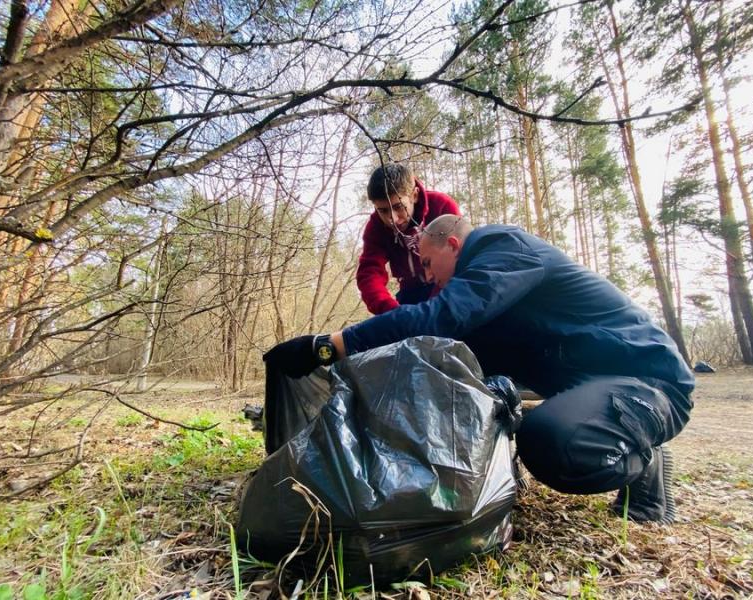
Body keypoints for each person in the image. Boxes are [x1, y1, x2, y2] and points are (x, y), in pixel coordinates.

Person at [264, 215, 695, 524]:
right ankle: (616, 433)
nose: (427, 278)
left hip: (648, 381)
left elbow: (441, 317)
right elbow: (433, 350)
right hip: (589, 386)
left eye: (428, 263)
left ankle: (644, 456)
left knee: (552, 444)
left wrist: (328, 346)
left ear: (453, 245)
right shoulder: (488, 293)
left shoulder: (505, 249)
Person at [357, 163, 460, 314]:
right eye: (383, 210)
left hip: (447, 285)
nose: (392, 219)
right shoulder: (376, 227)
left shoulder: (441, 206)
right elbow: (370, 272)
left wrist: (432, 311)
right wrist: (389, 311)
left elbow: (459, 256)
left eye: (398, 207)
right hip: (410, 292)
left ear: (414, 195)